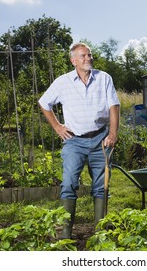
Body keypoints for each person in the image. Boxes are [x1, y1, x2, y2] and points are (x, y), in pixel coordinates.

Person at [38, 42, 120, 238]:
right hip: (74, 141)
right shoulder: (62, 82)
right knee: (68, 184)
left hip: (100, 138)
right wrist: (57, 126)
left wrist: (113, 134)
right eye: (83, 56)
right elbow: (44, 103)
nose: (88, 58)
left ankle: (100, 232)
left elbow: (114, 107)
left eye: (89, 55)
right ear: (73, 60)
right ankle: (65, 234)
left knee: (101, 186)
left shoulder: (104, 78)